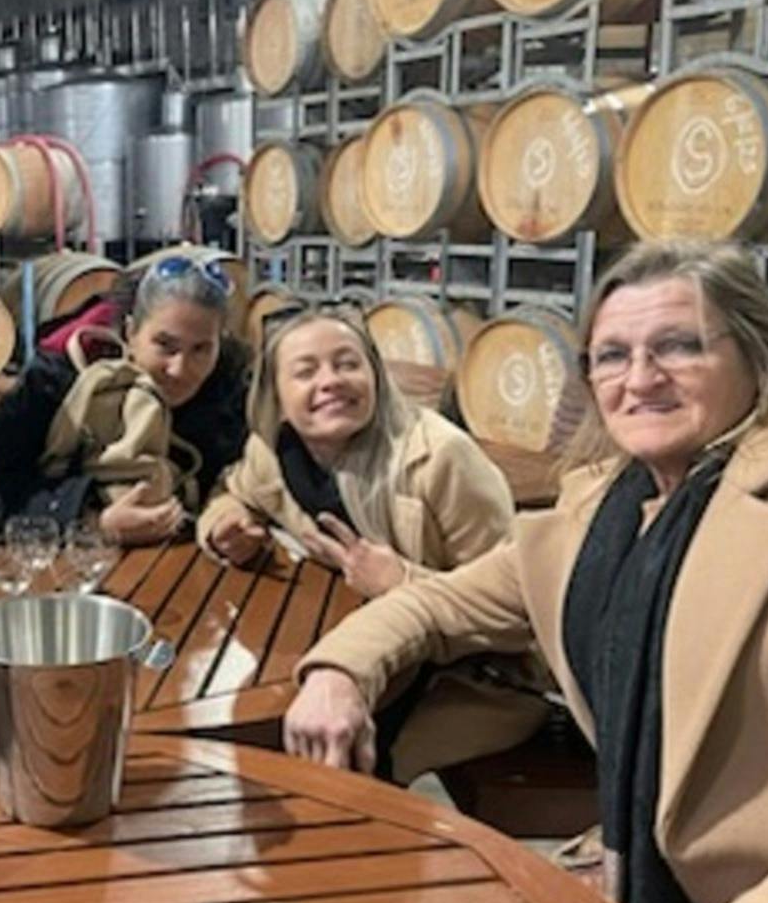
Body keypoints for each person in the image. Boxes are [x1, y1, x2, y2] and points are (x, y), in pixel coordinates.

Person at [281, 242, 768, 903]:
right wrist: (337, 672)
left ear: (757, 357)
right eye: (612, 355)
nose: (641, 378)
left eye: (680, 346)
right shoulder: (601, 519)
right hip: (655, 898)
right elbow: (436, 604)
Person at [199, 304, 548, 783]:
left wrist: (400, 580)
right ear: (276, 397)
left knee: (352, 763)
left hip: (473, 677)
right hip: (358, 640)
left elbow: (520, 614)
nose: (331, 381)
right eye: (306, 371)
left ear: (374, 376)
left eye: (347, 363)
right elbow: (233, 493)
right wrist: (226, 526)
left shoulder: (441, 459)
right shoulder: (276, 451)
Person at [0, 254, 250, 544]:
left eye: (200, 350)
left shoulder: (228, 386)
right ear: (130, 331)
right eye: (165, 345)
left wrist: (225, 517)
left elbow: (240, 477)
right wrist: (91, 521)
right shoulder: (58, 380)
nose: (179, 369)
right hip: (71, 566)